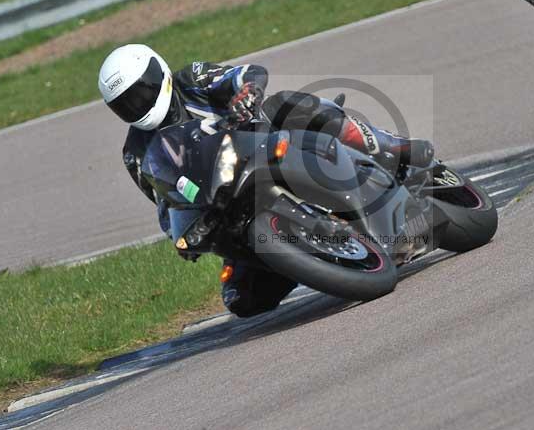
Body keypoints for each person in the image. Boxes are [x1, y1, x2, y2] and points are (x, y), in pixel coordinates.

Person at [98, 44, 434, 317]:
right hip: (226, 202)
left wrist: (248, 91)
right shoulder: (136, 153)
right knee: (241, 299)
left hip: (269, 145)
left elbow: (247, 73)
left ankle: (389, 145)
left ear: (159, 75)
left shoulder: (191, 80)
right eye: (125, 103)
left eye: (141, 92)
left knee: (286, 103)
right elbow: (164, 202)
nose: (136, 104)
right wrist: (181, 233)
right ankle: (313, 255)